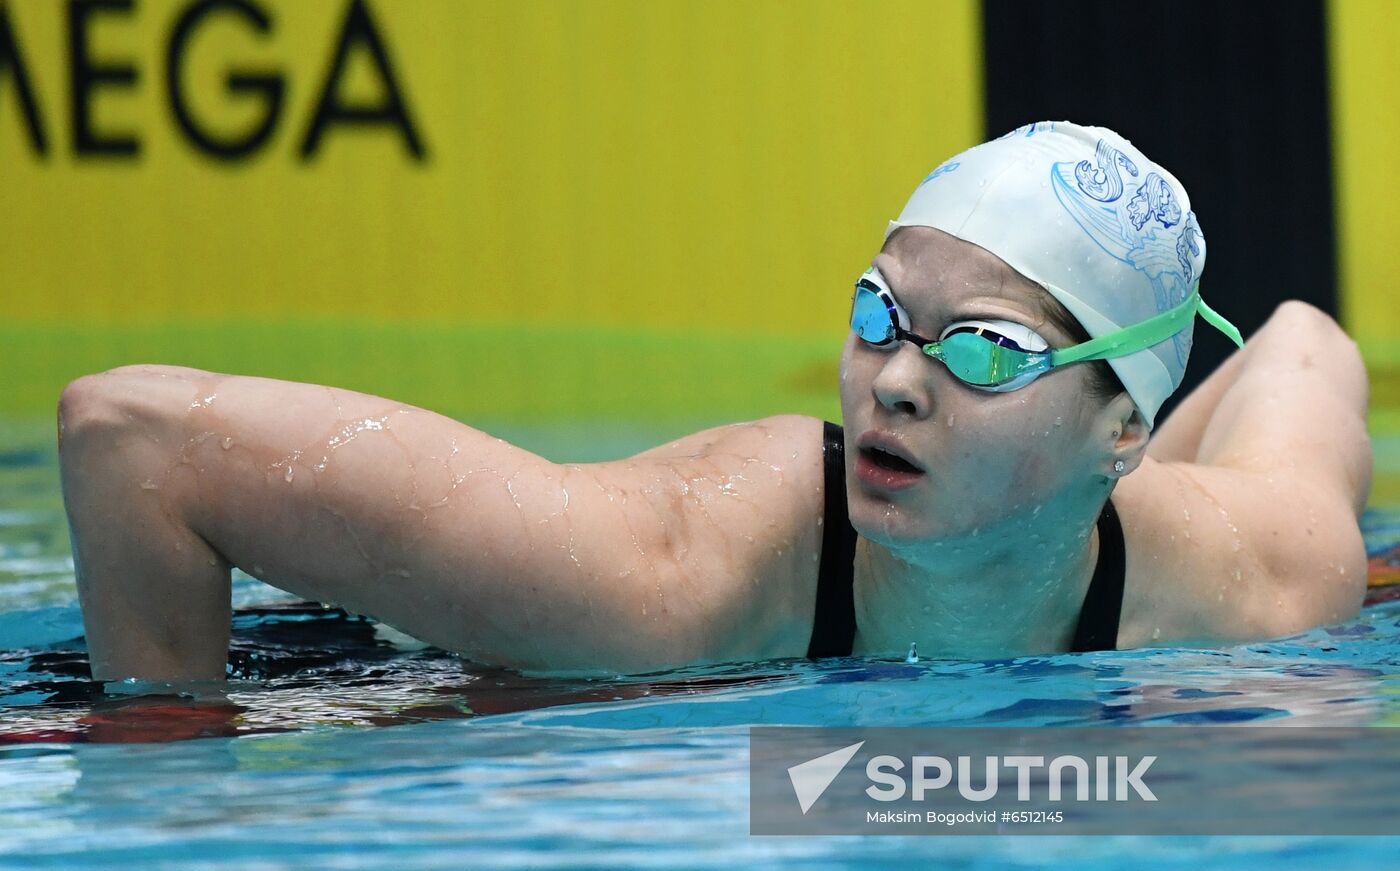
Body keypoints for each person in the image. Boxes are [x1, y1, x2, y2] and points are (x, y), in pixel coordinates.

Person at [56, 122, 1372, 683]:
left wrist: (1075, 476)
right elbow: (133, 438)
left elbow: (1301, 339)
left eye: (979, 353)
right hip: (349, 662)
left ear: (1126, 430)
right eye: (875, 313)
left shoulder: (1269, 570)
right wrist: (183, 776)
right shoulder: (651, 582)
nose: (894, 383)